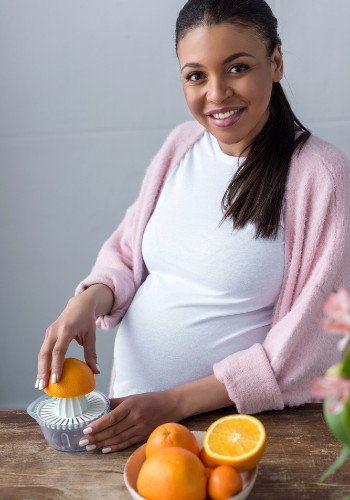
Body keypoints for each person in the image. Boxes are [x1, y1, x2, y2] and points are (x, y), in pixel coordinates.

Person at [36, 0, 350, 454]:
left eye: (237, 67)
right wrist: (87, 300)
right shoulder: (182, 146)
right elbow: (127, 252)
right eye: (196, 75)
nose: (217, 94)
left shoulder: (320, 175)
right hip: (129, 417)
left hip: (225, 430)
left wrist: (173, 403)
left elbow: (309, 342)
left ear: (276, 62)